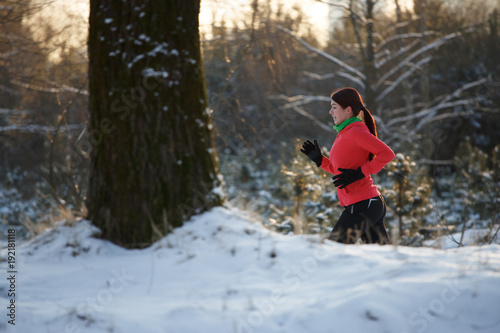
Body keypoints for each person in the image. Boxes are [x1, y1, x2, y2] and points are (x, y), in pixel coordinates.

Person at [300, 87, 395, 244]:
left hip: (363, 205)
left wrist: (360, 173)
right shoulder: (344, 133)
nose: (331, 112)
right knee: (382, 260)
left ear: (348, 110)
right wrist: (320, 160)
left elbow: (387, 154)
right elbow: (341, 170)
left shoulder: (356, 132)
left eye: (334, 107)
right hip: (366, 204)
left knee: (334, 249)